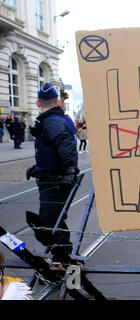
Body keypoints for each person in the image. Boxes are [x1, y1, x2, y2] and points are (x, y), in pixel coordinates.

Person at [26, 83, 79, 264]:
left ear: (37, 103)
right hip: (52, 177)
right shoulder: (53, 119)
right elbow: (53, 149)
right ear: (58, 101)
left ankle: (62, 257)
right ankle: (60, 256)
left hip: (56, 180)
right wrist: (38, 168)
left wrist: (70, 170)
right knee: (53, 218)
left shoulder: (51, 122)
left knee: (50, 220)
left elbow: (65, 144)